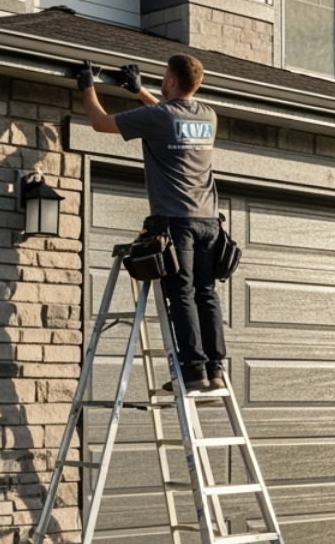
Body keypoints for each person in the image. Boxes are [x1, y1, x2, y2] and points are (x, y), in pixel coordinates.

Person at [77, 54, 226, 394]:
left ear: (171, 81)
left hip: (176, 221)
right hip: (209, 222)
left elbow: (100, 123)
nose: (161, 82)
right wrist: (140, 91)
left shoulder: (159, 116)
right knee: (205, 293)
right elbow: (170, 117)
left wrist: (87, 87)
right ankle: (214, 370)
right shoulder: (208, 115)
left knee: (182, 294)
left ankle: (193, 373)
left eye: (163, 78)